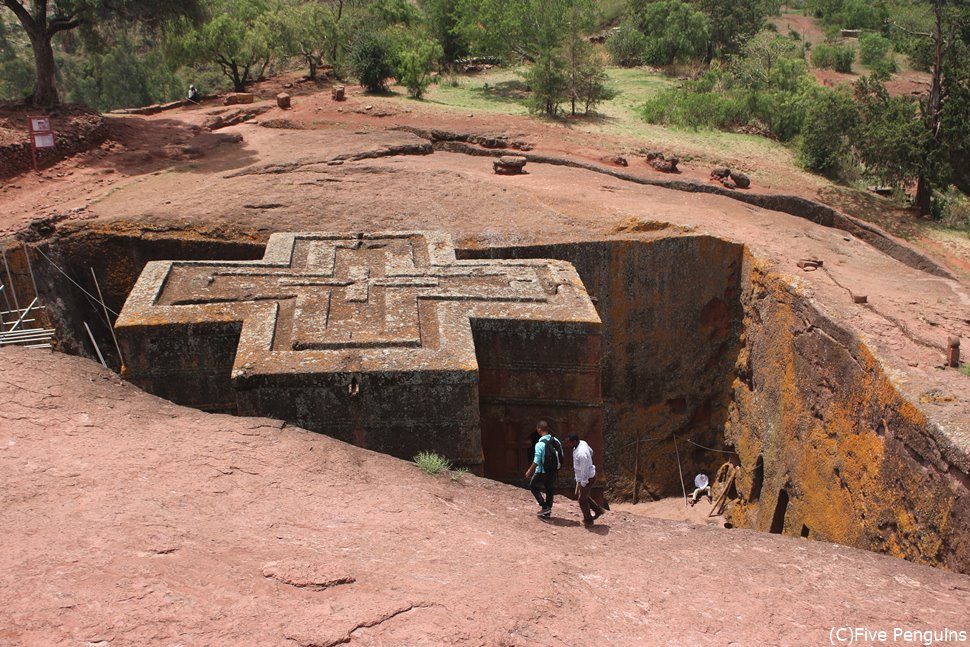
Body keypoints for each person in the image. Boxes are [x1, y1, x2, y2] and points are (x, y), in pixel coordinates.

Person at [524, 420, 562, 518]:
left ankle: (545, 507)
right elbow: (562, 455)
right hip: (553, 471)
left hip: (542, 471)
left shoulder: (539, 444)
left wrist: (529, 471)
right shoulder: (556, 441)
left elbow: (536, 461)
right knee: (549, 489)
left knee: (533, 486)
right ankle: (547, 510)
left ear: (539, 429)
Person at [567, 433, 605, 526]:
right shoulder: (583, 443)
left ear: (574, 441)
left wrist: (583, 483)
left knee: (582, 499)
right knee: (580, 494)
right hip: (581, 476)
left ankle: (588, 520)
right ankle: (598, 510)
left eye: (570, 442)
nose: (569, 444)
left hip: (587, 478)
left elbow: (585, 470)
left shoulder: (581, 454)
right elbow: (591, 452)